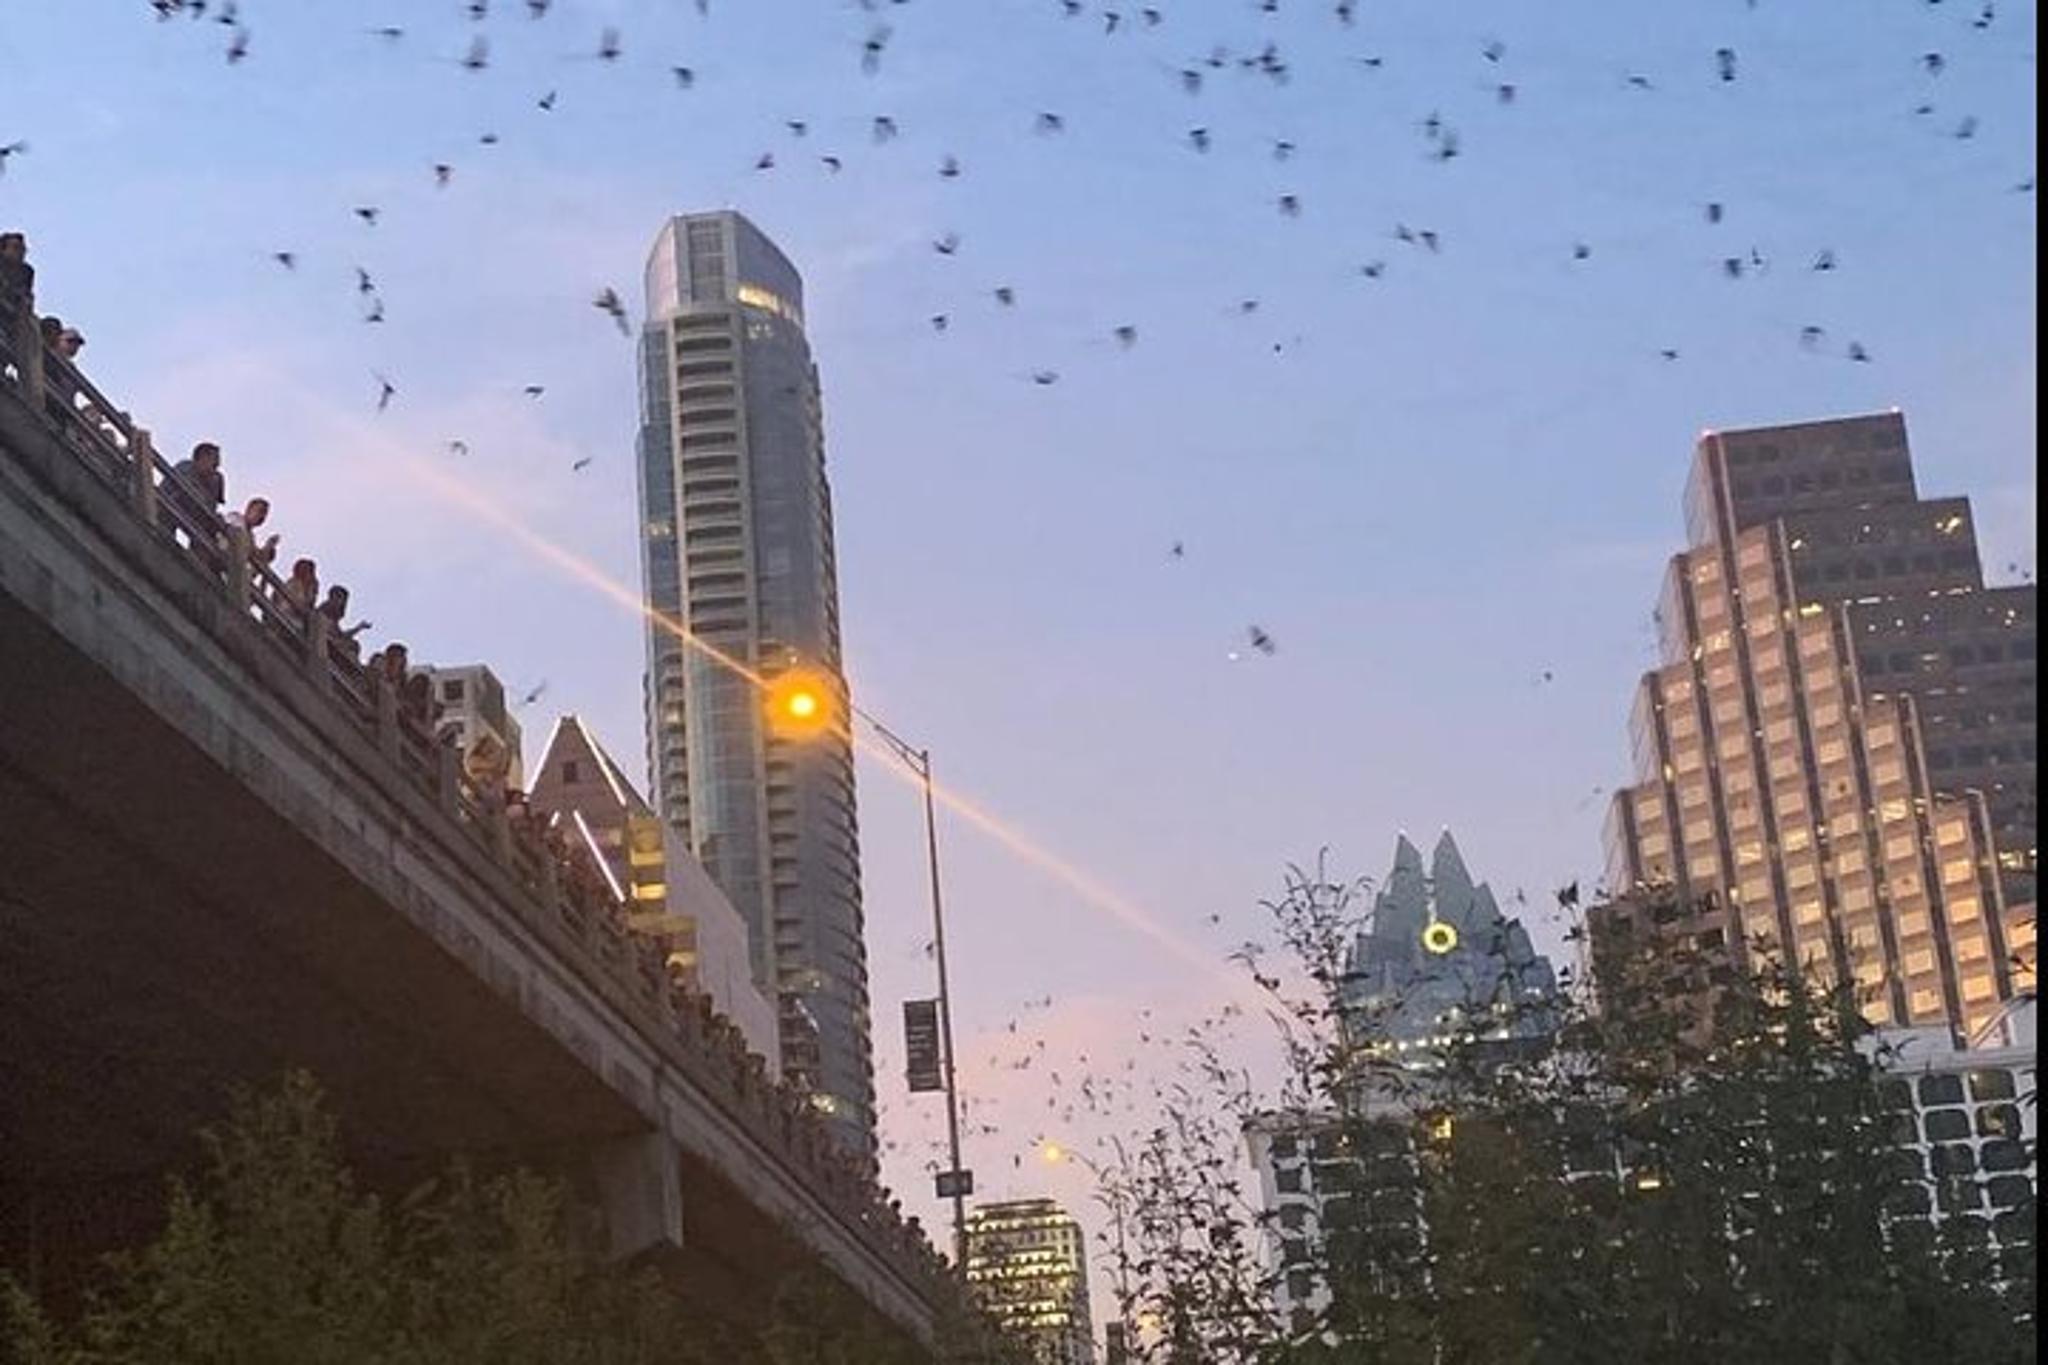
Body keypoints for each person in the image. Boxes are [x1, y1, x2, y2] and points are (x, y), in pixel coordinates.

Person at [224, 496, 279, 567]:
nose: (262, 517)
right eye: (260, 511)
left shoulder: (251, 536)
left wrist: (268, 547)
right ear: (249, 510)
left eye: (264, 514)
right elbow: (240, 537)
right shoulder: (235, 518)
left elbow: (255, 554)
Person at [0, 232, 32, 320]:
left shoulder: (27, 271)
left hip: (17, 311)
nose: (21, 252)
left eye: (23, 249)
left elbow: (27, 295)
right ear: (3, 250)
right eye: (16, 248)